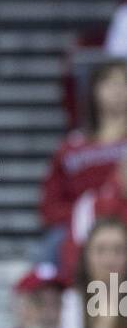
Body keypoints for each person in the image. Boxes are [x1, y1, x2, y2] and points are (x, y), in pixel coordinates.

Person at [37, 59, 127, 268]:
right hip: (78, 227)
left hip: (123, 221)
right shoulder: (72, 146)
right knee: (49, 250)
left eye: (124, 84)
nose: (118, 91)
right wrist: (83, 214)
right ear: (95, 90)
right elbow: (49, 204)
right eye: (110, 83)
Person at [61, 217, 127, 328]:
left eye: (119, 250)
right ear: (86, 256)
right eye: (100, 250)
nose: (109, 259)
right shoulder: (68, 303)